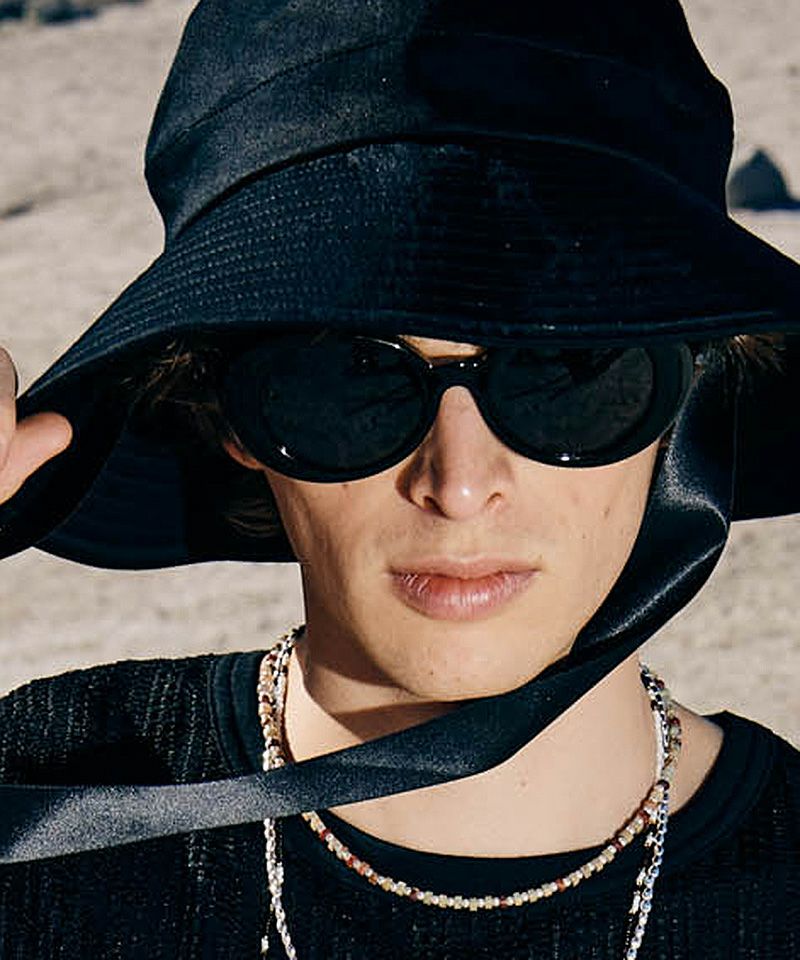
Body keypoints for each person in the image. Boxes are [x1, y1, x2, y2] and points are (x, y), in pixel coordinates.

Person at [0, 0, 798, 957]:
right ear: (227, 414)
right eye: (349, 379)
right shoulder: (40, 789)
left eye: (566, 373)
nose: (458, 485)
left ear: (690, 389)